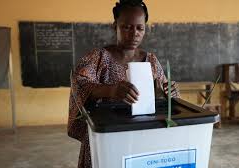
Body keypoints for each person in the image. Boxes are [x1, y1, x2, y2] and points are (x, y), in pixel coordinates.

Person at [68, 0, 180, 167]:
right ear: (115, 26)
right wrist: (110, 90)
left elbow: (165, 95)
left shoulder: (151, 61)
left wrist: (168, 91)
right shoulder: (98, 58)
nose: (134, 33)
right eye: (127, 27)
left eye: (140, 28)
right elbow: (79, 83)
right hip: (106, 135)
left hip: (142, 136)